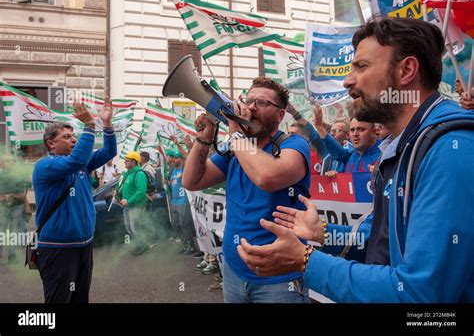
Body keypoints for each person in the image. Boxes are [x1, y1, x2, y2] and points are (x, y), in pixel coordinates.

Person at [237, 17, 474, 302]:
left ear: (407, 70)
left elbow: (420, 295)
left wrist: (306, 261)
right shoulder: (406, 146)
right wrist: (324, 232)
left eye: (361, 66)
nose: (348, 80)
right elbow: (384, 244)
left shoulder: (449, 149)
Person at [183, 77, 311, 303]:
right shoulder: (235, 149)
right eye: (249, 100)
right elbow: (192, 181)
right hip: (234, 270)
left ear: (280, 115)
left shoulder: (294, 145)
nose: (251, 107)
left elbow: (267, 177)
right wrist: (204, 138)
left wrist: (235, 133)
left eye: (262, 103)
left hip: (280, 279)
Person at [33, 101, 116, 303]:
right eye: (67, 137)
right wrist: (89, 125)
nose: (73, 140)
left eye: (74, 136)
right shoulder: (45, 165)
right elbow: (76, 160)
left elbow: (109, 152)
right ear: (51, 143)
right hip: (58, 247)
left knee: (80, 299)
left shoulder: (78, 164)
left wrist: (106, 124)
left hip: (84, 245)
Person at [116, 151, 148, 255]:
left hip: (136, 206)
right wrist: (116, 192)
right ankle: (139, 244)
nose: (125, 161)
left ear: (134, 162)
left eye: (127, 160)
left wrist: (128, 200)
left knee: (135, 227)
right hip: (127, 206)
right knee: (129, 227)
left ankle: (143, 245)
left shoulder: (139, 174)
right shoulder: (127, 174)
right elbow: (121, 187)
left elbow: (141, 191)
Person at [166, 150, 197, 255]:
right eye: (173, 158)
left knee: (184, 224)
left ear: (181, 159)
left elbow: (189, 160)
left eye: (176, 157)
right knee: (175, 224)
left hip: (183, 200)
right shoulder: (172, 171)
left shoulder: (184, 169)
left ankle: (192, 246)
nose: (174, 160)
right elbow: (172, 185)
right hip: (174, 201)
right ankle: (185, 245)